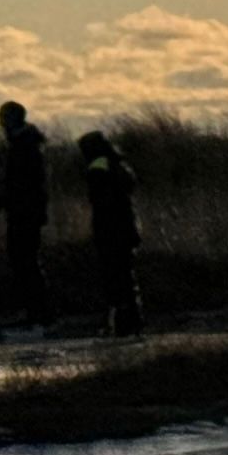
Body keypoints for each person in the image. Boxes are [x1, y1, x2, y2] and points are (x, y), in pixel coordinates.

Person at [0, 101, 51, 326]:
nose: (0, 124)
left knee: (25, 261)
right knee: (24, 261)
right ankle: (36, 311)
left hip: (26, 213)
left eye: (3, 119)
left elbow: (22, 184)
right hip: (23, 212)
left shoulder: (25, 146)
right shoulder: (24, 144)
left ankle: (38, 313)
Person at [75, 129, 144, 337]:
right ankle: (132, 322)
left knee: (113, 279)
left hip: (110, 231)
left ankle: (119, 325)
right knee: (126, 278)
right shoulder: (119, 165)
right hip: (127, 228)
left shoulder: (98, 169)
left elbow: (101, 204)